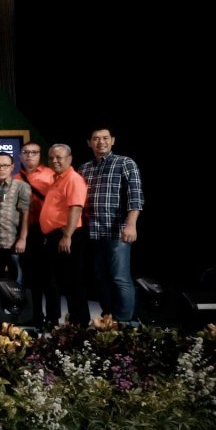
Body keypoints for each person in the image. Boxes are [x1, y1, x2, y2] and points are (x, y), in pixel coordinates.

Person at [79, 127, 144, 323]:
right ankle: (109, 318)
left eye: (105, 138)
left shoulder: (125, 162)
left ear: (113, 140)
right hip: (94, 232)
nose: (101, 142)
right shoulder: (84, 168)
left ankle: (125, 321)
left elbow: (136, 196)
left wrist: (131, 224)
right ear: (89, 143)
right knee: (100, 277)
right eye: (96, 138)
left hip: (118, 231)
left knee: (119, 277)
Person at [40, 144, 89, 327]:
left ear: (69, 159)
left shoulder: (73, 179)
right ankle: (53, 319)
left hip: (67, 235)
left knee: (73, 281)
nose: (54, 161)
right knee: (52, 280)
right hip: (54, 236)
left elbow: (76, 207)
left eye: (59, 157)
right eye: (51, 157)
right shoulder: (56, 179)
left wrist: (67, 236)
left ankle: (80, 323)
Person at [14, 142, 54, 326]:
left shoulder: (51, 175)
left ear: (40, 155)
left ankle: (53, 318)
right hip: (26, 232)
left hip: (48, 230)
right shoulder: (16, 178)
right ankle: (34, 316)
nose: (29, 155)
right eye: (26, 152)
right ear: (20, 156)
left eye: (34, 152)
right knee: (29, 277)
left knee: (50, 277)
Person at [0, 152, 31, 317]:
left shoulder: (21, 186)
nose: (1, 168)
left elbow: (26, 215)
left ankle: (17, 319)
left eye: (5, 165)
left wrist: (22, 238)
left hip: (12, 242)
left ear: (12, 167)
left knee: (16, 283)